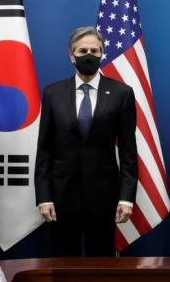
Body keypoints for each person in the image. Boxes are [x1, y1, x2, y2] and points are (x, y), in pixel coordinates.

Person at [34, 26, 138, 257]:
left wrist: (126, 198)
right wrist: (44, 197)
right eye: (82, 51)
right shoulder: (53, 94)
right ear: (72, 55)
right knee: (63, 264)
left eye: (94, 50)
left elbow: (129, 153)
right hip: (61, 196)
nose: (89, 55)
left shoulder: (121, 93)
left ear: (102, 53)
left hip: (104, 196)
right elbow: (44, 151)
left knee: (100, 266)